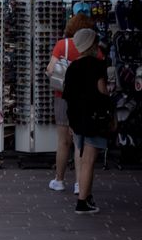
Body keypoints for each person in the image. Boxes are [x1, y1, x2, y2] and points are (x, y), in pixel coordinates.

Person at [45, 14, 97, 194]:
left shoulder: (63, 45)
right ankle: (79, 183)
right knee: (80, 142)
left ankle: (59, 180)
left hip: (63, 96)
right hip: (87, 98)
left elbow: (51, 70)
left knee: (63, 141)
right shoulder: (94, 47)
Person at [63, 28, 111, 215]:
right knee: (89, 160)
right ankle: (82, 200)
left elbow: (67, 96)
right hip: (94, 116)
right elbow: (102, 91)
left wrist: (69, 121)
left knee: (82, 157)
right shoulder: (98, 65)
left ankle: (86, 195)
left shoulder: (72, 67)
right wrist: (111, 113)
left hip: (76, 116)